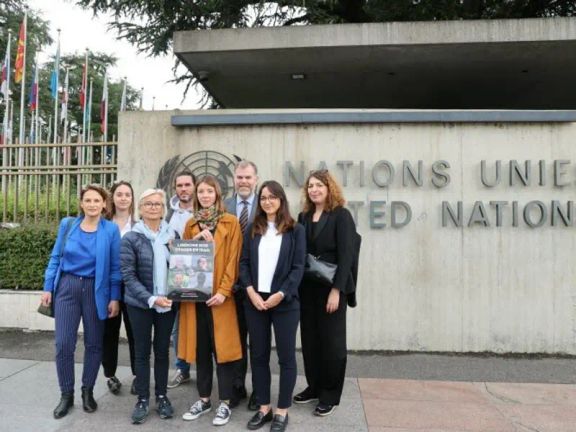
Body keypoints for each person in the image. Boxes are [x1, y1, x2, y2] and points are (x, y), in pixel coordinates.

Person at [41, 185, 121, 419]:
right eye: (88, 200)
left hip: (96, 290)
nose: (92, 204)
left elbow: (115, 267)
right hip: (67, 288)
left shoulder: (111, 230)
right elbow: (55, 257)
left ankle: (88, 391)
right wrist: (48, 287)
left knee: (94, 344)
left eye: (97, 200)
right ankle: (66, 394)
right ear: (81, 203)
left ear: (104, 204)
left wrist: (114, 297)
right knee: (63, 344)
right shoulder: (68, 225)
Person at [239, 181, 305, 432]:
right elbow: (244, 263)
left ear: (281, 200)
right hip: (255, 300)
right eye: (263, 198)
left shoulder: (295, 230)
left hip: (284, 301)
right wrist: (250, 291)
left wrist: (281, 293)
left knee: (286, 357)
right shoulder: (252, 229)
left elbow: (298, 267)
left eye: (272, 197)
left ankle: (282, 410)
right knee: (258, 355)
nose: (267, 202)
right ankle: (264, 407)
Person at [179, 175, 243, 426]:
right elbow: (183, 258)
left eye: (209, 191)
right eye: (201, 192)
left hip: (220, 298)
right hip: (196, 297)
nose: (205, 196)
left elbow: (233, 260)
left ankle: (225, 402)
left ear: (217, 194)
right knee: (202, 349)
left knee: (223, 351)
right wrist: (195, 242)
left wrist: (224, 291)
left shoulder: (231, 222)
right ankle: (204, 399)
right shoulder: (191, 224)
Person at [294, 170, 357, 417]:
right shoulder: (304, 216)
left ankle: (329, 394)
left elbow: (347, 256)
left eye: (319, 185)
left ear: (329, 188)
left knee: (333, 344)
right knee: (310, 342)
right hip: (307, 288)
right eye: (310, 186)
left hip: (331, 288)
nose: (314, 190)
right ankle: (314, 387)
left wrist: (336, 291)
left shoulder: (341, 215)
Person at [121, 188, 178, 424]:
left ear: (163, 209)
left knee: (163, 352)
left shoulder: (172, 234)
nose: (153, 208)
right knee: (142, 352)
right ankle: (143, 399)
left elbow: (182, 268)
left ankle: (162, 396)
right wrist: (151, 298)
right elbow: (128, 275)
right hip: (140, 304)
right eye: (149, 204)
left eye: (157, 204)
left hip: (168, 303)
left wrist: (178, 292)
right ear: (140, 209)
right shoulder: (131, 238)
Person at [223, 160, 259, 410]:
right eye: (239, 177)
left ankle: (259, 390)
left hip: (257, 287)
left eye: (248, 177)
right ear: (234, 179)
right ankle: (237, 386)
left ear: (255, 179)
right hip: (229, 287)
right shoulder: (223, 206)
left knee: (257, 342)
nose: (243, 181)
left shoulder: (266, 205)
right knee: (235, 340)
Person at [102, 180, 137, 396]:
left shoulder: (139, 225)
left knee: (136, 333)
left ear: (132, 199)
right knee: (109, 332)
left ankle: (138, 374)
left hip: (133, 287)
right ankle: (110, 375)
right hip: (109, 286)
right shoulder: (104, 224)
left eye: (127, 195)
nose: (123, 198)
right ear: (112, 198)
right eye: (119, 194)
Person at [167, 170, 197, 389]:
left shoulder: (206, 210)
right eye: (180, 185)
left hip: (203, 275)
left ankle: (206, 370)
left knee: (204, 324)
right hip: (177, 276)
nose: (184, 189)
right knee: (178, 325)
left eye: (187, 184)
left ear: (194, 186)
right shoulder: (169, 214)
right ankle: (182, 368)